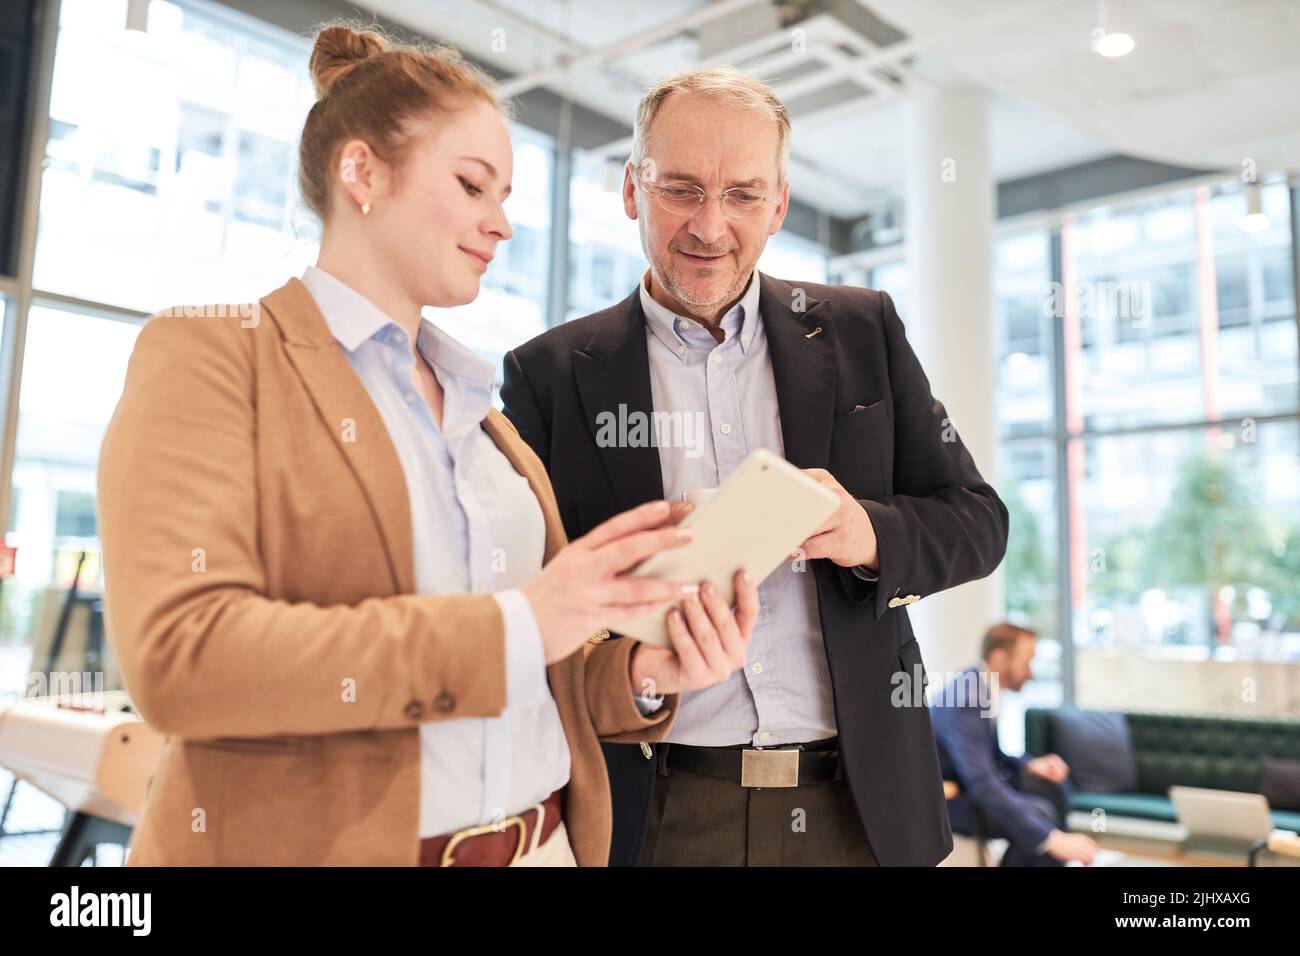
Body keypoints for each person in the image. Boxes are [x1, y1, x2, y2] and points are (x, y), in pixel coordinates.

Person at [96, 24, 758, 868]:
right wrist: (526, 621)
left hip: (545, 848)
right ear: (362, 172)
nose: (502, 224)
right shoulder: (215, 357)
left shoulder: (486, 417)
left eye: (508, 195)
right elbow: (184, 659)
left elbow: (533, 670)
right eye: (474, 185)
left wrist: (643, 673)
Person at [500, 67, 1009, 866]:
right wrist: (630, 670)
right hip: (658, 808)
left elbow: (979, 521)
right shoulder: (549, 375)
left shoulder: (862, 330)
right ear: (632, 189)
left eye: (742, 195)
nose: (710, 225)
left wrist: (865, 532)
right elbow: (529, 603)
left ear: (778, 204)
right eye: (681, 189)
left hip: (861, 808)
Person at [931, 623, 1098, 866]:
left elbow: (988, 754)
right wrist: (1050, 838)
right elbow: (981, 781)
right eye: (1027, 662)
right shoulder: (967, 699)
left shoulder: (980, 683)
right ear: (999, 658)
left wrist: (1031, 765)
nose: (1031, 673)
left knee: (1053, 787)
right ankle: (1052, 849)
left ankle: (1054, 856)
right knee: (1041, 815)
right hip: (949, 802)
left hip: (969, 785)